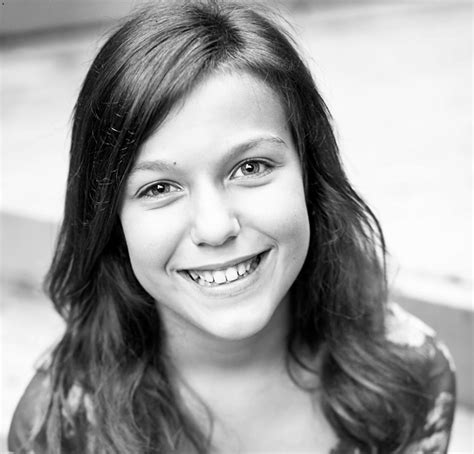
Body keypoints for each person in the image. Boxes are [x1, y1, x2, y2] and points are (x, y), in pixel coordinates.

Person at [8, 1, 456, 453]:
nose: (215, 226)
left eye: (250, 166)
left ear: (311, 176)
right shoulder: (57, 427)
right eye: (159, 188)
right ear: (110, 219)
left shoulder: (411, 376)